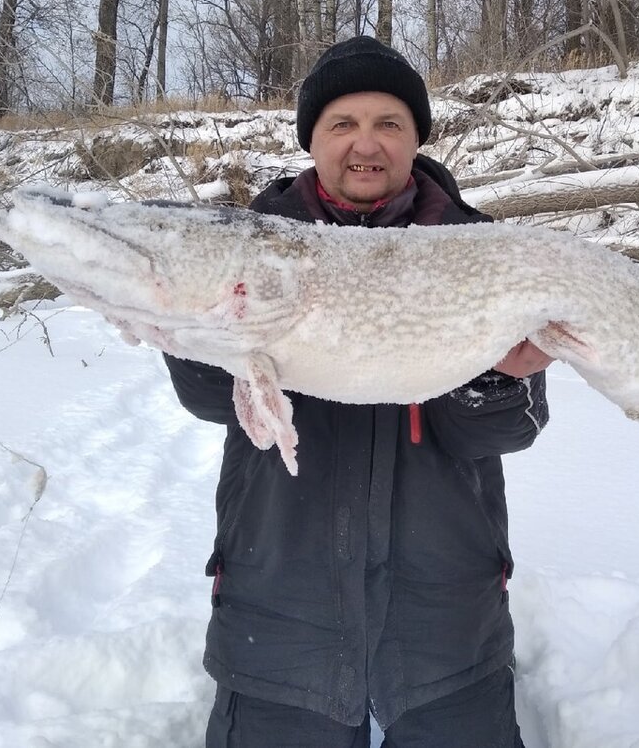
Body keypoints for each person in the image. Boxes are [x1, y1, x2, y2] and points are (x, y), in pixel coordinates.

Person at [164, 36, 553, 748]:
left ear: (416, 140)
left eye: (389, 124)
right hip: (280, 635)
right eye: (343, 124)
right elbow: (215, 402)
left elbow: (505, 431)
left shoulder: (480, 251)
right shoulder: (249, 247)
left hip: (446, 639)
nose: (365, 145)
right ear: (313, 139)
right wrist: (188, 324)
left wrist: (499, 374)